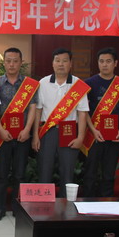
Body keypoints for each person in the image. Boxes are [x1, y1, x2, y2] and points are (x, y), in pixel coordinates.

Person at [32, 48, 89, 197]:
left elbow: (82, 113)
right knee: (44, 171)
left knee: (67, 173)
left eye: (64, 61)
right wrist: (35, 135)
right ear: (52, 63)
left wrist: (80, 137)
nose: (61, 64)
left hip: (69, 131)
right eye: (57, 61)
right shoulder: (43, 83)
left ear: (71, 64)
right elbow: (38, 110)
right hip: (47, 131)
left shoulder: (78, 84)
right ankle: (44, 207)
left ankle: (66, 207)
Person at [0, 47, 38, 221]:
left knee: (20, 174)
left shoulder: (29, 85)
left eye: (15, 61)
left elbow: (33, 108)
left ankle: (18, 209)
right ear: (4, 62)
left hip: (23, 135)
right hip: (2, 135)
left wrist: (27, 130)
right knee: (1, 174)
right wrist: (0, 129)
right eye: (8, 61)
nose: (11, 64)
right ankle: (0, 209)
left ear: (21, 63)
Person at [82, 47, 119, 197]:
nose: (104, 64)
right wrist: (93, 129)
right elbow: (84, 111)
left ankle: (107, 204)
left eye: (108, 61)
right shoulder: (89, 83)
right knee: (90, 173)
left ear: (115, 63)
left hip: (114, 135)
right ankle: (87, 204)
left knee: (109, 174)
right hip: (94, 136)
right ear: (97, 63)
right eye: (101, 61)